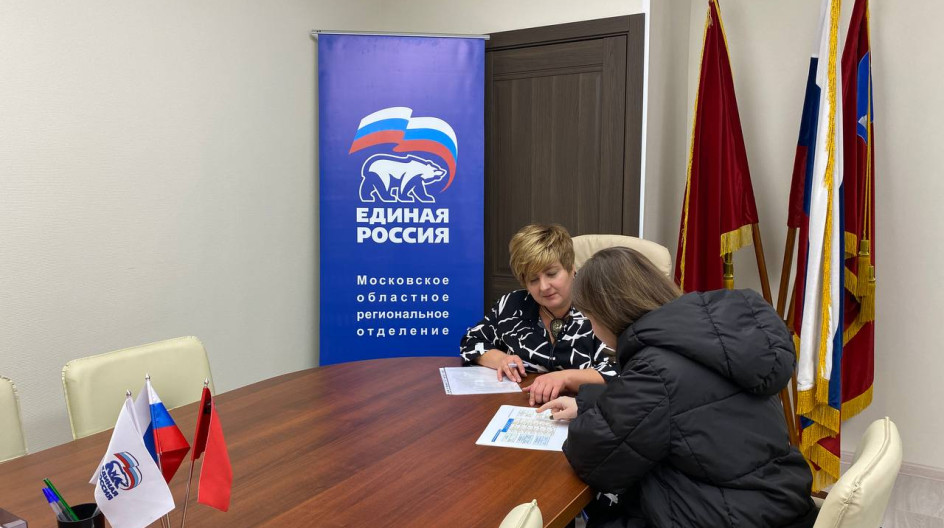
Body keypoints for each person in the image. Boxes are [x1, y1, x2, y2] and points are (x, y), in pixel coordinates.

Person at [538, 247, 817, 528]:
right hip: (780, 500)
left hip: (730, 515)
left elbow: (593, 457)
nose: (593, 330)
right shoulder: (708, 337)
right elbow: (685, 401)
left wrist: (593, 416)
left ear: (608, 313)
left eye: (590, 319)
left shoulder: (655, 368)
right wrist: (587, 402)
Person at [460, 224, 616, 405]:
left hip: (584, 409)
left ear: (571, 268)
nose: (544, 287)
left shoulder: (601, 306)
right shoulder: (512, 305)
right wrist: (501, 359)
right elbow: (471, 341)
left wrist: (565, 378)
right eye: (533, 279)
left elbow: (621, 370)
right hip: (520, 406)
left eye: (552, 274)